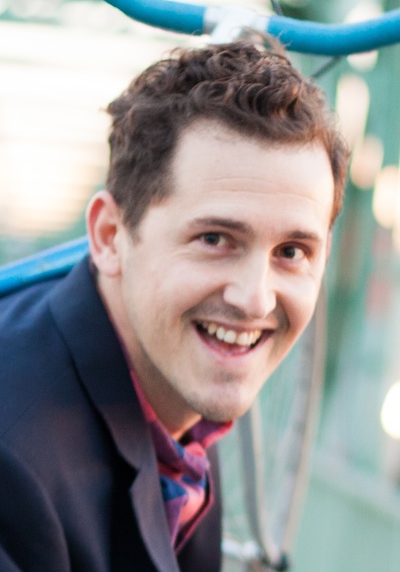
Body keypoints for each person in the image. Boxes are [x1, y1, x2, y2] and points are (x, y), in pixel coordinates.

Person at [0, 40, 348, 572]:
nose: (255, 298)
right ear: (110, 235)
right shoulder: (15, 464)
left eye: (292, 252)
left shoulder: (176, 382)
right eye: (215, 239)